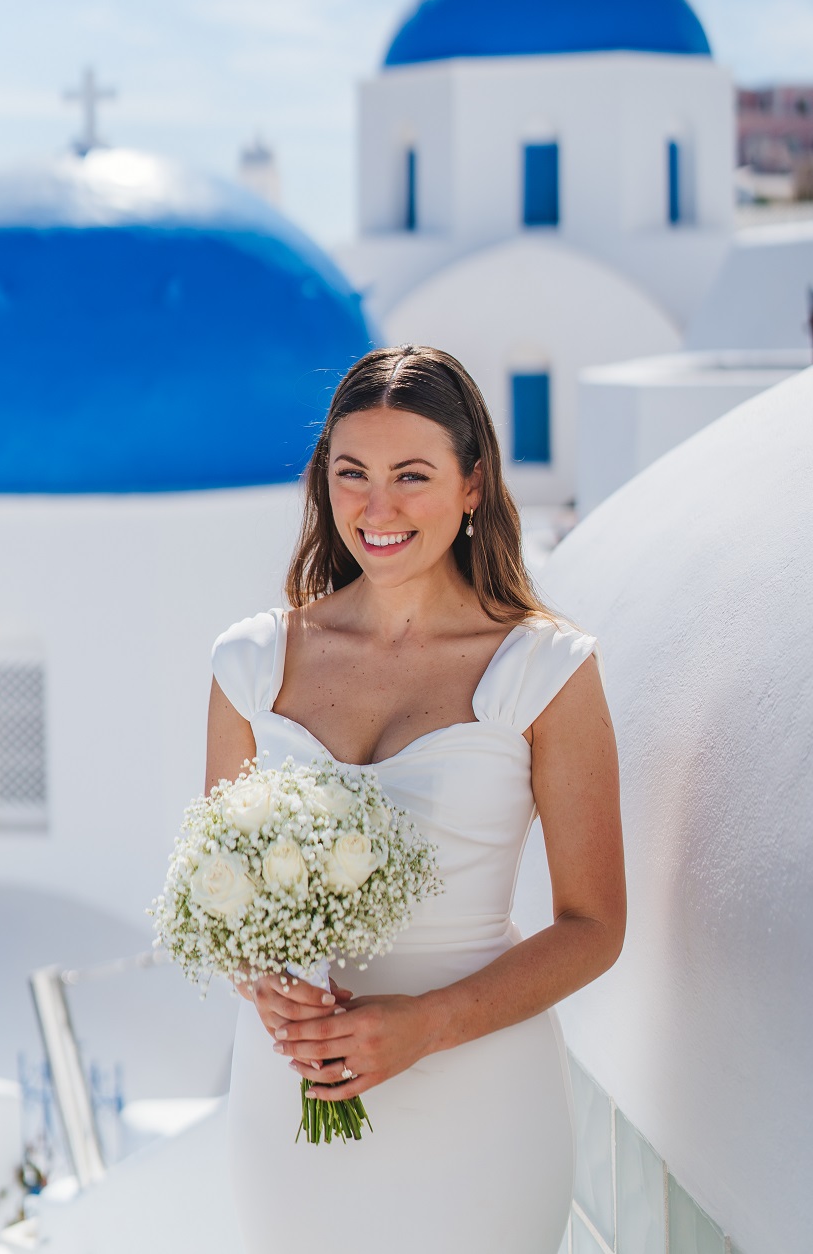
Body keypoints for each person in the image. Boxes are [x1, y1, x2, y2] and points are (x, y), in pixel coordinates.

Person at [206, 345, 625, 1254]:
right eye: (351, 473)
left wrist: (426, 1027)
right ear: (322, 482)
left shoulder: (546, 670)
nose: (376, 508)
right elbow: (220, 896)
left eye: (411, 475)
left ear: (472, 485)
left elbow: (593, 925)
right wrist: (267, 989)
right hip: (291, 1098)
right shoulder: (247, 663)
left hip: (481, 1099)